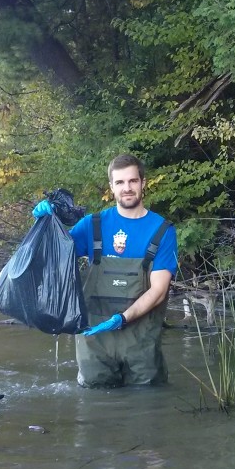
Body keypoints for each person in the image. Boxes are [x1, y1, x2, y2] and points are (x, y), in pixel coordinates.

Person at [33, 154, 178, 387]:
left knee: (148, 405)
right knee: (94, 407)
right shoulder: (93, 224)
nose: (127, 188)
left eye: (132, 181)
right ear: (111, 187)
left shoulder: (162, 230)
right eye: (120, 182)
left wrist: (122, 318)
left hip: (141, 340)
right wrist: (43, 223)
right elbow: (52, 257)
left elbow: (159, 291)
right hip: (94, 339)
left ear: (143, 183)